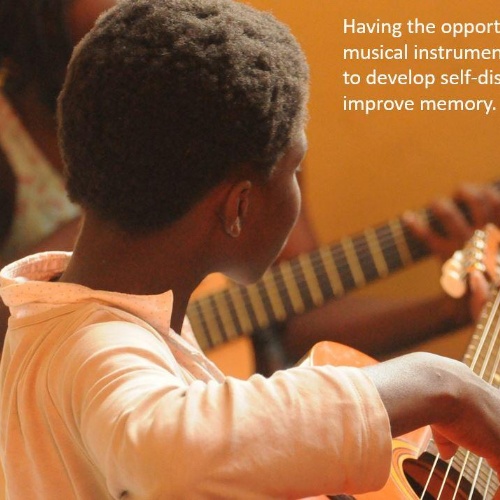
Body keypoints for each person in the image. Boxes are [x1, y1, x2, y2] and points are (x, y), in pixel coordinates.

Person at [1, 1, 499, 497]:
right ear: (238, 207)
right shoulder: (98, 348)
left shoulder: (71, 321)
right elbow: (168, 453)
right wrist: (439, 384)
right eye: (293, 169)